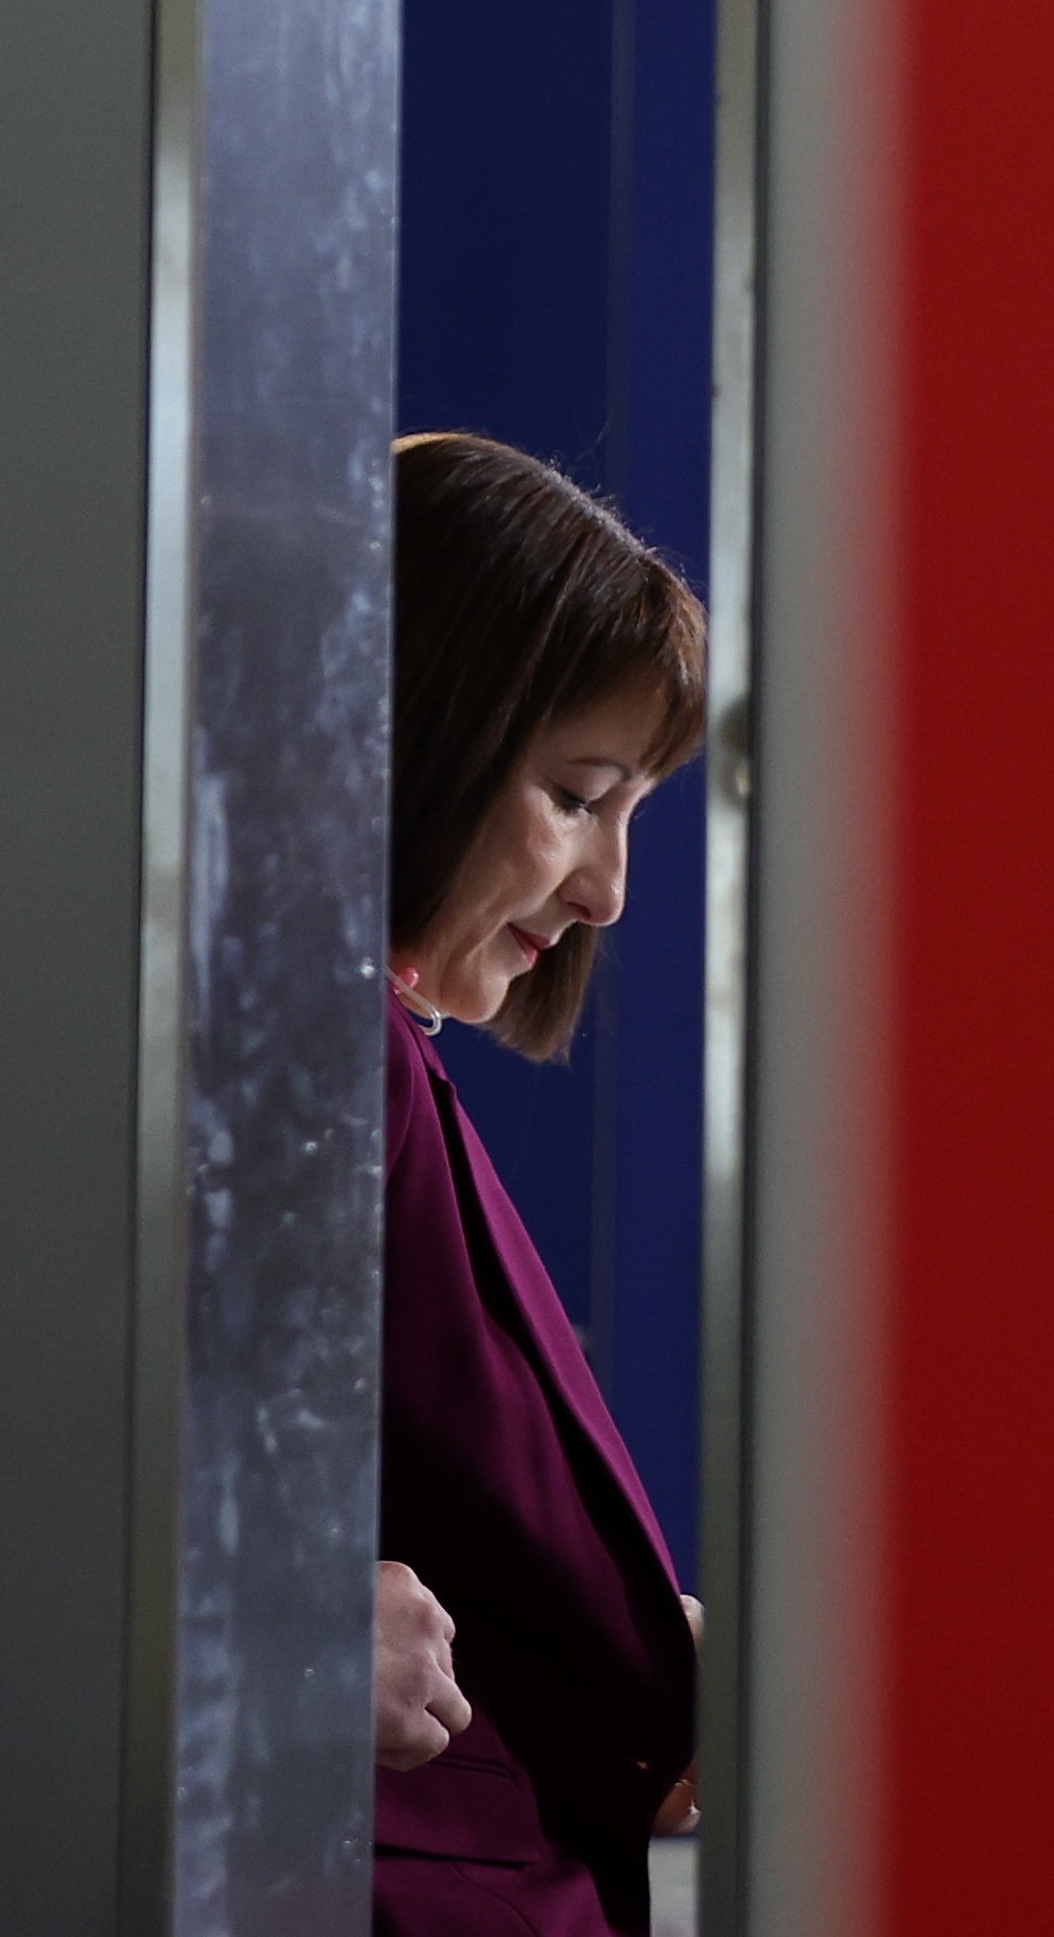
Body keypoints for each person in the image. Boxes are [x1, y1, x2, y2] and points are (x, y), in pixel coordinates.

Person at [368, 432, 710, 1937]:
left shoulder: (381, 1062)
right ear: (420, 730)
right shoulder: (321, 1067)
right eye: (577, 795)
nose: (608, 891)